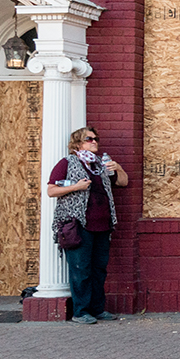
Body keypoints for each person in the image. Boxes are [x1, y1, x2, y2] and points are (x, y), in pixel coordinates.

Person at [48, 126, 129, 324]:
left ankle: (97, 309)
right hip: (78, 225)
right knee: (80, 269)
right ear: (77, 143)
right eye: (89, 139)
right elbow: (51, 190)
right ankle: (80, 312)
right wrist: (77, 187)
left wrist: (118, 169)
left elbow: (123, 183)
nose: (94, 142)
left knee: (99, 270)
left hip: (102, 226)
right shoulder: (67, 162)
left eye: (95, 139)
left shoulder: (101, 165)